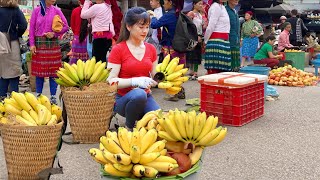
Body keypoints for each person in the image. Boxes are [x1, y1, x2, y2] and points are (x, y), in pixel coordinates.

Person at [107, 7, 160, 131]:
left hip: (146, 97)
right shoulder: (118, 49)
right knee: (139, 94)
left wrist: (163, 79)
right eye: (141, 27)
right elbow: (110, 82)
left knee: (160, 121)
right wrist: (135, 81)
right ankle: (128, 127)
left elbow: (155, 75)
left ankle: (140, 119)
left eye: (147, 27)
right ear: (129, 27)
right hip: (122, 100)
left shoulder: (151, 49)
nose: (145, 31)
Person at [29, 0, 69, 104]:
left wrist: (54, 34)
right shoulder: (36, 11)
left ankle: (53, 96)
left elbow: (65, 26)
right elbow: (31, 29)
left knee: (53, 72)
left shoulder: (57, 11)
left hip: (53, 44)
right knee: (39, 73)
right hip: (39, 44)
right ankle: (38, 95)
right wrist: (32, 44)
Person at [149, 0, 186, 101]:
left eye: (164, 2)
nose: (163, 4)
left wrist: (153, 16)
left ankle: (174, 93)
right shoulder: (179, 14)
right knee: (179, 71)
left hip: (170, 47)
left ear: (170, 2)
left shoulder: (169, 15)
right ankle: (180, 91)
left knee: (170, 71)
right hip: (180, 46)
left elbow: (154, 24)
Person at [0, 0, 27, 100]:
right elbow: (23, 25)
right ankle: (15, 99)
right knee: (14, 72)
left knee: (2, 72)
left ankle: (2, 98)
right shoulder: (15, 10)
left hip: (0, 44)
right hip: (12, 42)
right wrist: (17, 33)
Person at [204, 0, 231, 74]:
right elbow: (211, 26)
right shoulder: (215, 7)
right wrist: (205, 41)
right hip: (216, 42)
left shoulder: (222, 7)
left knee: (223, 72)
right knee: (215, 72)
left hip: (223, 41)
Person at [186, 0, 204, 80]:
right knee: (191, 54)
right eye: (199, 4)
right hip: (192, 37)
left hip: (199, 37)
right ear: (194, 4)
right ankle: (192, 71)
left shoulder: (200, 15)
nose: (201, 5)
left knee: (196, 55)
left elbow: (201, 27)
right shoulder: (191, 13)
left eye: (202, 4)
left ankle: (195, 72)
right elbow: (187, 25)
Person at [226, 0, 240, 71]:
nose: (236, 0)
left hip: (236, 39)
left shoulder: (235, 11)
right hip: (228, 40)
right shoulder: (225, 10)